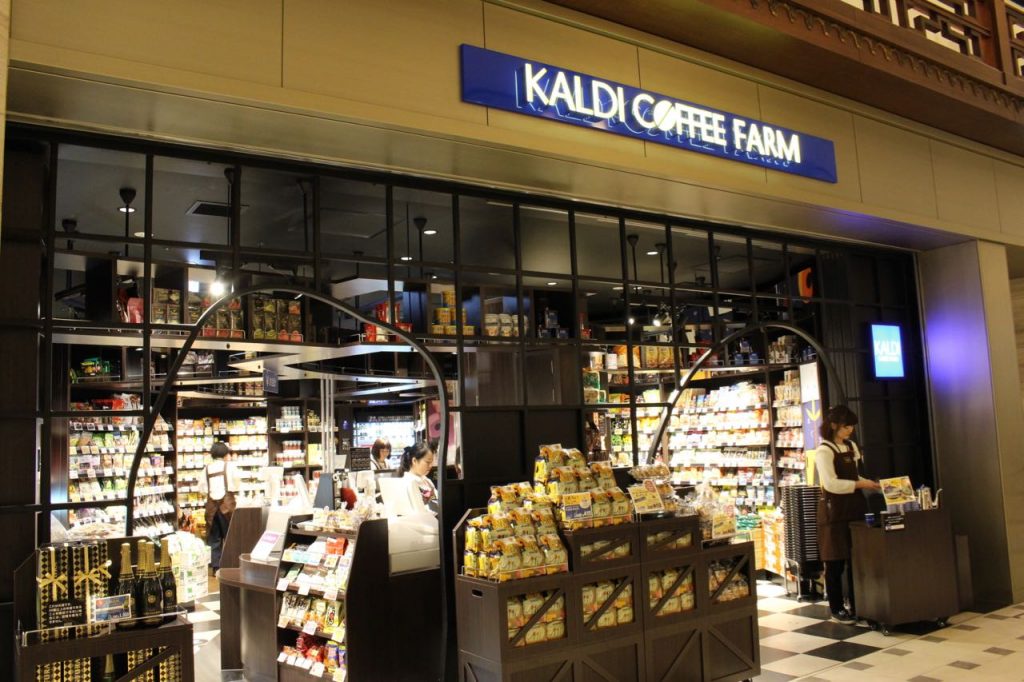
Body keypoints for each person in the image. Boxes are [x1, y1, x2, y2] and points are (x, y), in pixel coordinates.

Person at [815, 405, 881, 625]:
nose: (850, 430)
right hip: (834, 512)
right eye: (846, 426)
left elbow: (855, 474)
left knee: (856, 559)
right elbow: (830, 483)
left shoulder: (851, 446)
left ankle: (858, 604)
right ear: (834, 425)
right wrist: (859, 484)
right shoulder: (824, 451)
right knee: (835, 561)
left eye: (852, 426)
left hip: (855, 507)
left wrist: (869, 483)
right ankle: (836, 608)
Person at [201, 440, 240, 570]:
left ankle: (216, 567)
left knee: (214, 538)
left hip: (212, 508)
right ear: (225, 453)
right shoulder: (230, 467)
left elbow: (202, 489)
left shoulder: (206, 469)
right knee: (230, 536)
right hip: (227, 507)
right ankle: (230, 564)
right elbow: (237, 484)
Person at [398, 441, 437, 514]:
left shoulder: (427, 481)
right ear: (414, 461)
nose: (430, 466)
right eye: (428, 462)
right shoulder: (406, 483)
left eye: (431, 462)